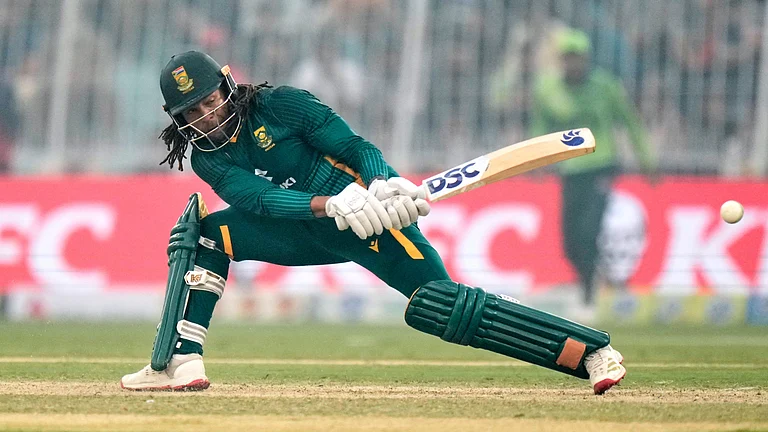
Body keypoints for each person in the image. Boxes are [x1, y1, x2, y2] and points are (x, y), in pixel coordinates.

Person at [120, 50, 626, 394]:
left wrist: (383, 184)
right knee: (203, 235)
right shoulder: (206, 158)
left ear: (229, 86)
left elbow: (355, 147)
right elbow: (261, 200)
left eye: (211, 102)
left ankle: (589, 352)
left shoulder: (282, 104)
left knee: (439, 305)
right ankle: (180, 361)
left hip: (370, 224)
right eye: (193, 112)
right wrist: (329, 205)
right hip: (300, 229)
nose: (207, 118)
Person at [530, 29, 656, 323]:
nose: (573, 64)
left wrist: (647, 161)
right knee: (569, 241)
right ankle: (590, 278)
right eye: (567, 58)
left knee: (589, 231)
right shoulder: (547, 89)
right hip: (569, 170)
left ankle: (588, 293)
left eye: (577, 58)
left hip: (601, 165)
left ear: (586, 59)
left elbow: (630, 122)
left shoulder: (605, 86)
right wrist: (536, 161)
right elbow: (540, 126)